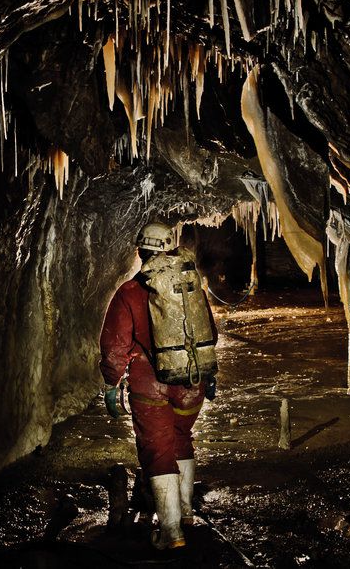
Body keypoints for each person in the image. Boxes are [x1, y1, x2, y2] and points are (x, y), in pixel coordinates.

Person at [99, 221, 217, 550]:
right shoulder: (190, 284)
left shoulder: (130, 292)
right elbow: (209, 332)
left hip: (151, 386)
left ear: (140, 251)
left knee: (158, 447)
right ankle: (186, 512)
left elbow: (115, 346)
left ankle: (170, 532)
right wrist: (210, 373)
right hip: (192, 381)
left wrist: (111, 383)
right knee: (182, 437)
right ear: (169, 247)